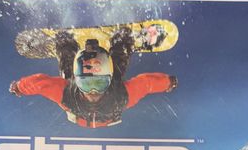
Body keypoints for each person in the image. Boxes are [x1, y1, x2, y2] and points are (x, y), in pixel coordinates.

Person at [10, 28, 178, 128]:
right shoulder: (121, 98)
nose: (93, 91)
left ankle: (65, 43)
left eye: (99, 83)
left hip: (80, 112)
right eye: (87, 84)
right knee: (116, 68)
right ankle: (122, 41)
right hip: (100, 113)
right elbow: (146, 83)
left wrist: (20, 87)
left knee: (68, 70)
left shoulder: (66, 96)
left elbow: (40, 84)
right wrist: (167, 83)